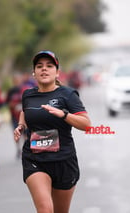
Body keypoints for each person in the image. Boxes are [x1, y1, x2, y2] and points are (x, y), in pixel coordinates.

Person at [14, 50, 91, 213]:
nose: (44, 69)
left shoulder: (68, 95)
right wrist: (21, 125)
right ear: (33, 73)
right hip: (35, 159)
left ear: (57, 72)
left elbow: (86, 124)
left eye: (49, 66)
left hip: (63, 160)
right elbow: (25, 112)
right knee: (45, 210)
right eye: (39, 66)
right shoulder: (28, 95)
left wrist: (63, 114)